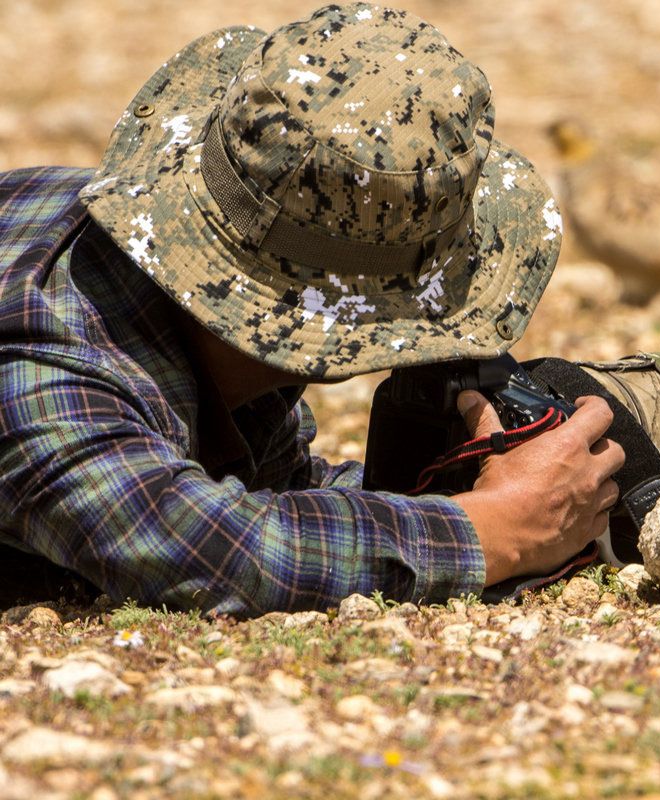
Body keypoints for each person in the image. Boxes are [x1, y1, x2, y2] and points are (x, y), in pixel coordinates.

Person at [0, 4, 626, 615]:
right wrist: (492, 530)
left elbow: (270, 496)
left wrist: (455, 485)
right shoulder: (45, 352)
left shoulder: (211, 344)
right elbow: (189, 540)